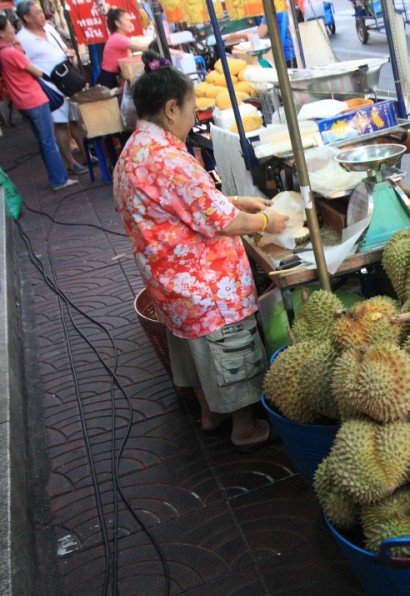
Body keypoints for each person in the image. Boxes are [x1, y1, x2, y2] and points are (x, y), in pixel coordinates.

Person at [112, 60, 290, 452]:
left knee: (191, 349)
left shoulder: (134, 152)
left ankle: (210, 414)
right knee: (228, 346)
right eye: (191, 110)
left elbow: (180, 205)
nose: (194, 119)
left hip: (168, 283)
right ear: (170, 109)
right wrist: (266, 220)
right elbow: (222, 221)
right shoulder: (168, 160)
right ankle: (244, 427)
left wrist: (236, 199)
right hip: (206, 286)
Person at [0, 15, 76, 190]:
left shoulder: (4, 52)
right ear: (2, 33)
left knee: (43, 141)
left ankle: (56, 177)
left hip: (22, 102)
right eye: (10, 28)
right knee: (48, 141)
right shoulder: (10, 53)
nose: (13, 31)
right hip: (34, 99)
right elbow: (37, 71)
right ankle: (59, 179)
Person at [16, 0, 89, 176]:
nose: (42, 15)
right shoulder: (22, 39)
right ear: (26, 17)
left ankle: (86, 154)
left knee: (76, 119)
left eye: (41, 12)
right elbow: (23, 65)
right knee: (60, 124)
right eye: (37, 13)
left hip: (69, 79)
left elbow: (62, 47)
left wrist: (68, 53)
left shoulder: (49, 28)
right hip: (50, 86)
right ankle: (71, 162)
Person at [96, 7, 149, 89]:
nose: (130, 23)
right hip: (109, 80)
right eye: (127, 20)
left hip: (112, 77)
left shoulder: (118, 37)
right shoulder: (118, 38)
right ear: (118, 23)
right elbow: (144, 47)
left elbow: (138, 42)